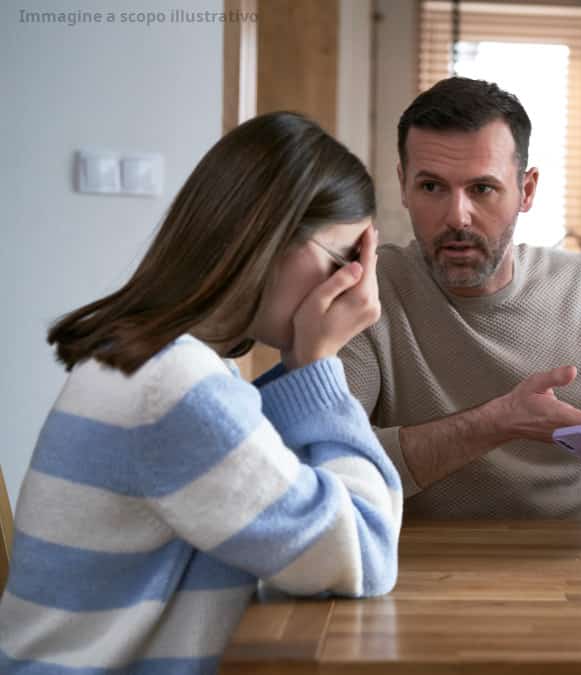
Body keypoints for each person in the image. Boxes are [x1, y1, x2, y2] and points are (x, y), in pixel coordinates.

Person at [0, 112, 403, 673]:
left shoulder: (159, 362)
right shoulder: (176, 388)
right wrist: (319, 364)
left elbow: (290, 492)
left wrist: (304, 366)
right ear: (267, 237)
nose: (356, 286)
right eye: (343, 260)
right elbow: (364, 553)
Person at [340, 77, 581, 519]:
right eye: (431, 187)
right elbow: (337, 460)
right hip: (407, 568)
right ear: (404, 185)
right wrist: (497, 423)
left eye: (482, 189)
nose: (456, 216)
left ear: (527, 190)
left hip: (570, 568)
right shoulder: (369, 291)